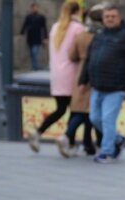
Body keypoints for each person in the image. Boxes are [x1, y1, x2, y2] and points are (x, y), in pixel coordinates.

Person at [79, 3, 125, 164]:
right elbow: (89, 60)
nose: (109, 19)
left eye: (113, 16)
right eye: (107, 17)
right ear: (103, 19)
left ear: (119, 18)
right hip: (98, 86)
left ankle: (106, 151)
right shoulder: (99, 36)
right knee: (95, 118)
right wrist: (83, 81)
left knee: (108, 120)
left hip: (116, 87)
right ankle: (119, 139)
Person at [27, 2, 84, 153]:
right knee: (75, 110)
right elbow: (80, 51)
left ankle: (38, 131)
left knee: (60, 109)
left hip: (57, 75)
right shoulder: (77, 28)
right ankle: (68, 142)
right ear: (77, 11)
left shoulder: (55, 27)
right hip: (72, 74)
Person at [58, 5, 103, 157]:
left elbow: (71, 55)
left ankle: (85, 142)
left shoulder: (82, 35)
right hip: (95, 74)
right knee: (91, 111)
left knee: (81, 110)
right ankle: (72, 137)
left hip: (80, 74)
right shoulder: (101, 37)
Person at [20, 3, 48, 71]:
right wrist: (21, 33)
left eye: (36, 7)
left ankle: (35, 67)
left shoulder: (41, 17)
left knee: (34, 52)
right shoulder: (28, 17)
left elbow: (44, 28)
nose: (35, 8)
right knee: (32, 53)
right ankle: (34, 66)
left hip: (38, 38)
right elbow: (24, 25)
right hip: (30, 37)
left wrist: (45, 37)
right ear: (32, 8)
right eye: (34, 7)